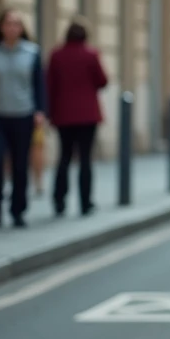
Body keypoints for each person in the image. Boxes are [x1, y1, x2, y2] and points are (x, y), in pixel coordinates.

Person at [0, 8, 46, 229]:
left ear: (22, 28)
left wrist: (40, 111)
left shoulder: (32, 53)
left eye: (16, 24)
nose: (12, 28)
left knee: (20, 165)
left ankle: (18, 211)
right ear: (1, 27)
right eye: (8, 23)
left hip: (23, 115)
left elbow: (39, 86)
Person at [46, 18, 109, 217]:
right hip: (87, 116)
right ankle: (85, 203)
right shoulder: (91, 54)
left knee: (64, 157)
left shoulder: (56, 55)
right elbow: (103, 81)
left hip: (63, 115)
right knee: (85, 159)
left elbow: (50, 85)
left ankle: (59, 200)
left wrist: (49, 113)